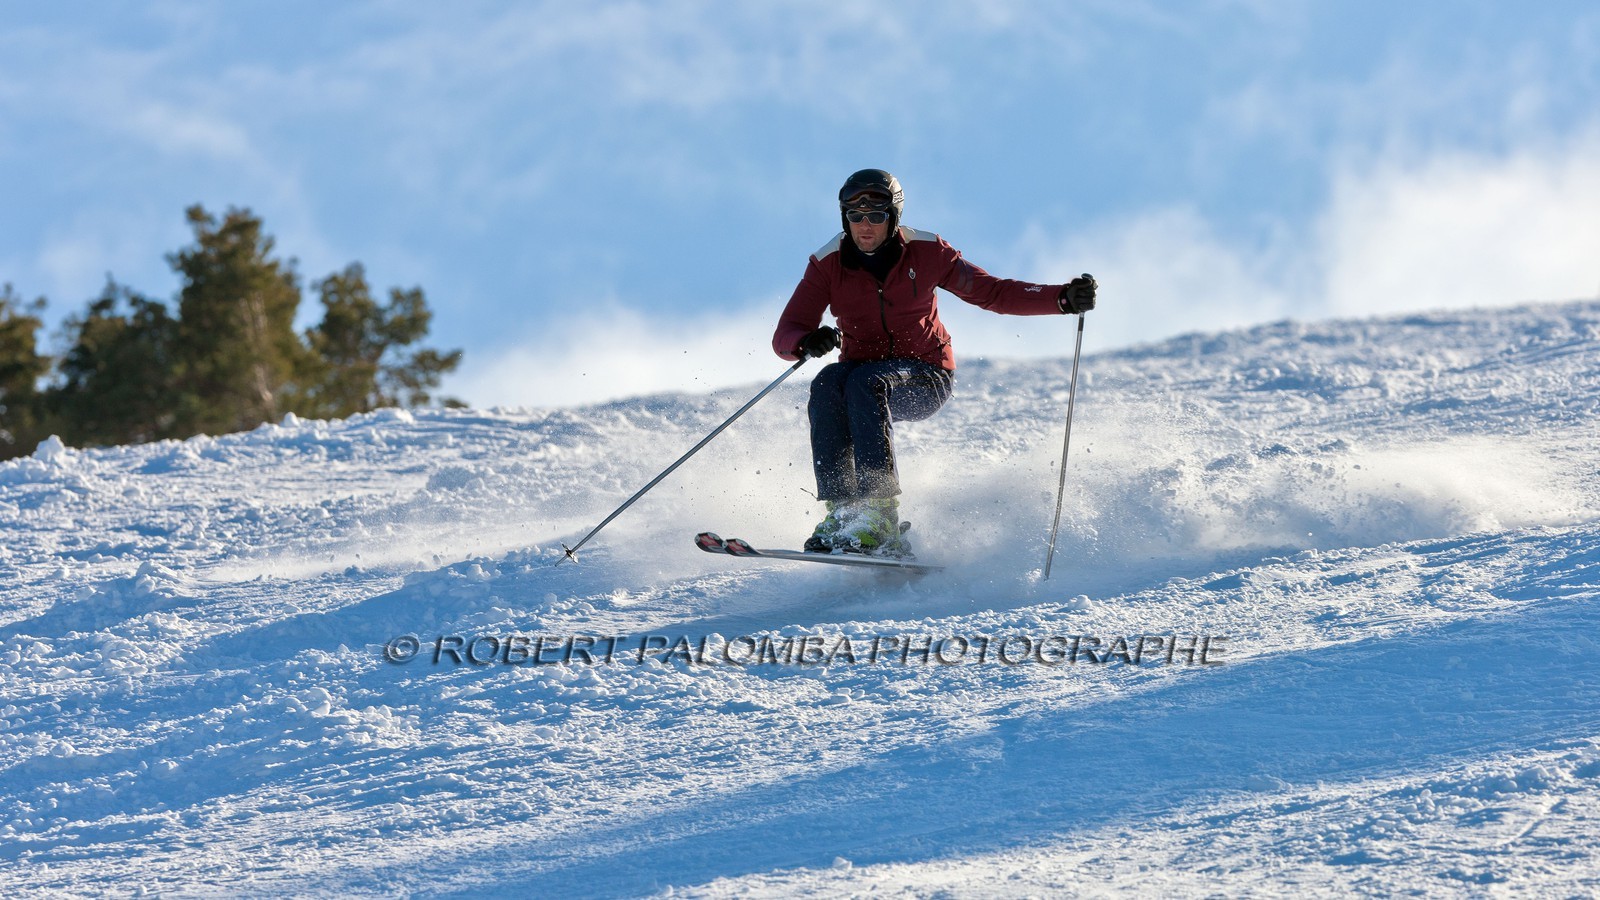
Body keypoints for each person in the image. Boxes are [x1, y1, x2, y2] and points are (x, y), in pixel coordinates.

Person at [772, 168, 1098, 556]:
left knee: (864, 383)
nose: (865, 226)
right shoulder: (828, 263)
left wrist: (1060, 298)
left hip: (925, 376)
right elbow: (787, 333)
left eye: (876, 216)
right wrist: (807, 340)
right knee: (827, 382)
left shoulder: (928, 252)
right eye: (855, 216)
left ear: (893, 217)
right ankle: (844, 511)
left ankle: (879, 514)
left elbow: (991, 292)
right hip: (863, 374)